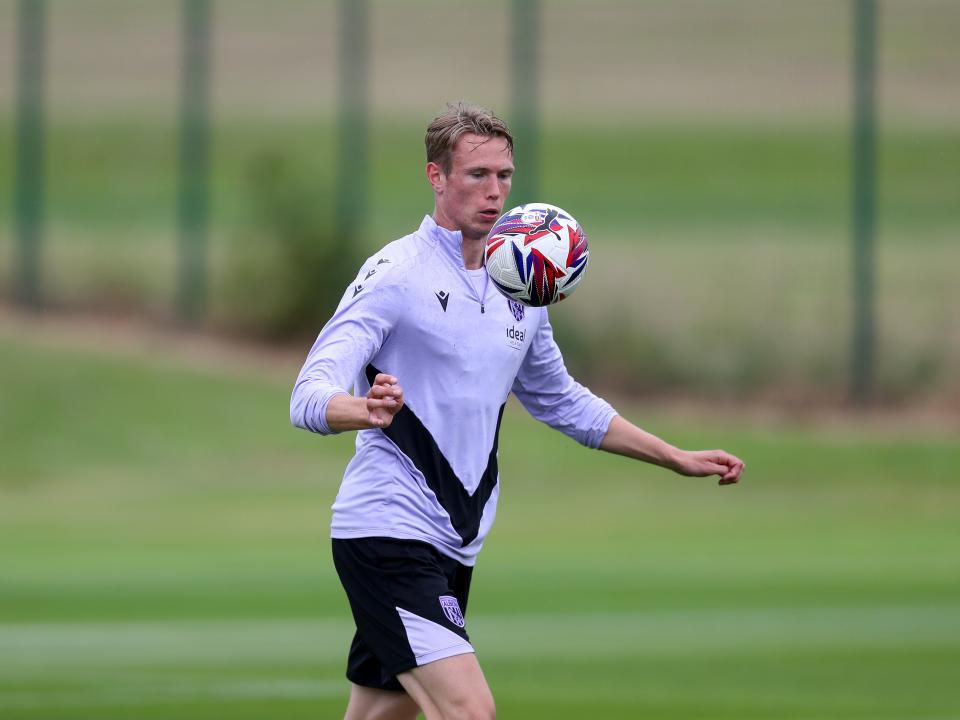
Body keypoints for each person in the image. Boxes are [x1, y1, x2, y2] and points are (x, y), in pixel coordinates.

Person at [290, 102, 745, 720]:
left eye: (504, 175)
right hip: (388, 532)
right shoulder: (398, 272)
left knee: (381, 715)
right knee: (473, 712)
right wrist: (361, 409)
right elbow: (309, 394)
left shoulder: (522, 283)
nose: (495, 191)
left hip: (455, 545)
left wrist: (674, 456)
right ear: (436, 177)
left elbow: (561, 400)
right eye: (477, 174)